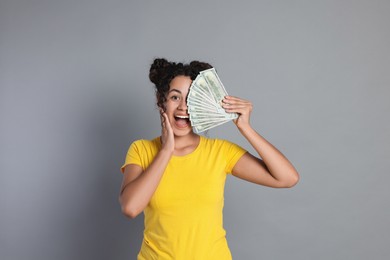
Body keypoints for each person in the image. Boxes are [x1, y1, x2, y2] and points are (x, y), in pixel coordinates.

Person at [119, 58, 299, 260]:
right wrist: (165, 151)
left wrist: (245, 128)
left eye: (192, 98)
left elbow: (287, 178)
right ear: (161, 100)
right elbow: (130, 207)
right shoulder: (141, 149)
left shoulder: (220, 151)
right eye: (175, 97)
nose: (183, 107)